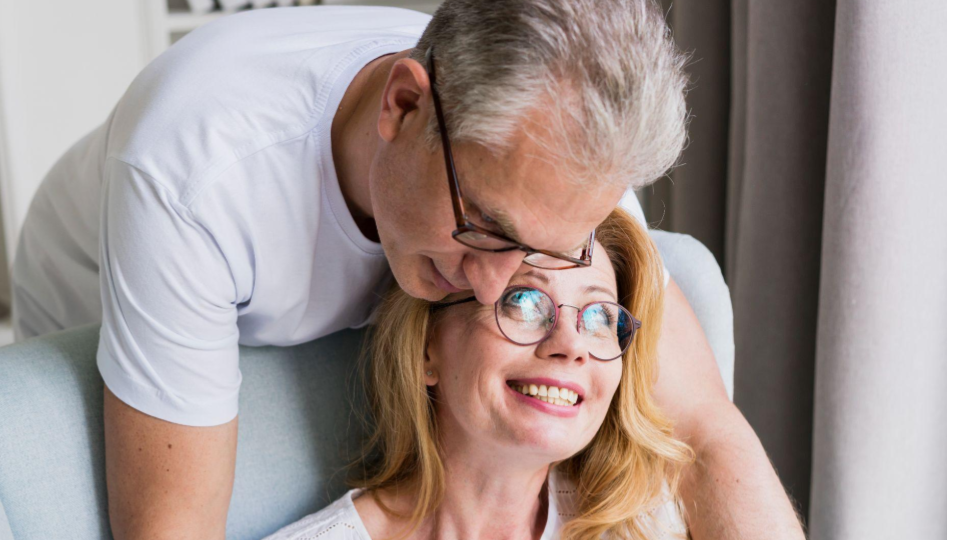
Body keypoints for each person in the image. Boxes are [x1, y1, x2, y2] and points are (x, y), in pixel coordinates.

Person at [10, 1, 804, 538]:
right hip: (98, 277)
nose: (497, 287)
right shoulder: (196, 173)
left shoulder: (556, 164)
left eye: (544, 259)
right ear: (401, 107)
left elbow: (701, 431)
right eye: (487, 228)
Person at [265, 208, 691, 539]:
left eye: (600, 318)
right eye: (523, 301)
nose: (571, 344)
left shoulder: (652, 524)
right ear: (427, 347)